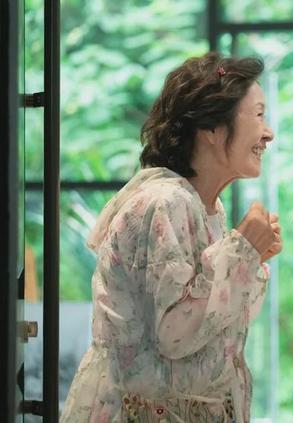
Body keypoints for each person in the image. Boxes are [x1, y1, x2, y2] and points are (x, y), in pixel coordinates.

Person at [61, 52, 279, 423]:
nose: (268, 133)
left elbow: (216, 326)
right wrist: (242, 253)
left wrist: (251, 258)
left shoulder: (205, 206)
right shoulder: (165, 201)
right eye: (258, 115)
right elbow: (175, 335)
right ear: (212, 129)